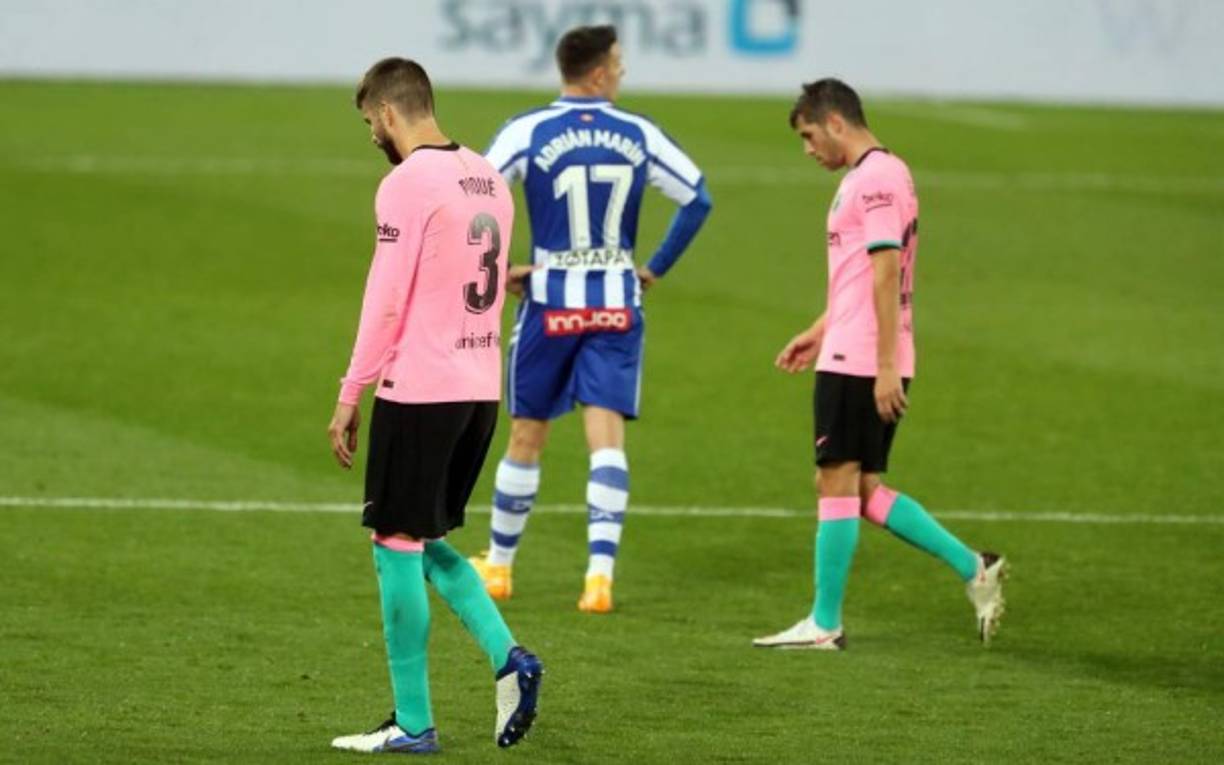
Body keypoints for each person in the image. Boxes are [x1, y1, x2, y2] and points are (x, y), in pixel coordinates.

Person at [325, 57, 541, 754]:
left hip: (421, 388)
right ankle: (510, 660)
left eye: (370, 121)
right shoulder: (487, 175)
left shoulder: (407, 182)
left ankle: (413, 722)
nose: (371, 136)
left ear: (389, 113)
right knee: (426, 537)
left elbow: (385, 297)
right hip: (480, 389)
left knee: (394, 543)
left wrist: (350, 392)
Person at [753, 79, 1006, 651]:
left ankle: (825, 623)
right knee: (859, 488)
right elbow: (860, 276)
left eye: (809, 136)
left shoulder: (876, 179)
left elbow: (888, 270)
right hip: (853, 346)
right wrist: (820, 330)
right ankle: (974, 567)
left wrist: (886, 365)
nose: (807, 149)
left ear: (835, 122)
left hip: (863, 357)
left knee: (836, 480)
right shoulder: (869, 177)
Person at [469, 25, 713, 613]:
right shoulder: (638, 132)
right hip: (616, 302)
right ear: (599, 73)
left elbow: (472, 193)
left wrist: (497, 268)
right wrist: (654, 267)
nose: (622, 74)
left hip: (550, 299)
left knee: (527, 435)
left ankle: (499, 567)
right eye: (619, 65)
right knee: (606, 441)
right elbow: (697, 197)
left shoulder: (528, 129)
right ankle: (598, 579)